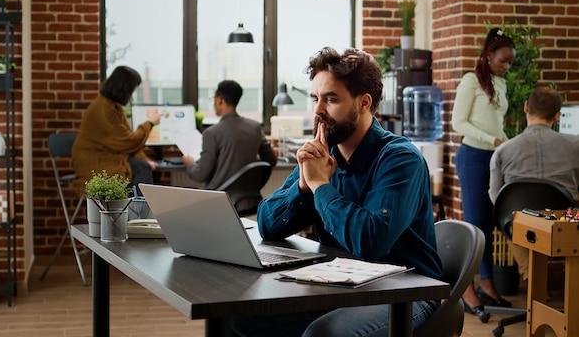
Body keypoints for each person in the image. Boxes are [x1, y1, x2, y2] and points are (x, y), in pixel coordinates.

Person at [230, 47, 442, 337]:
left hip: (406, 291)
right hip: (341, 283)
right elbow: (267, 224)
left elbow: (370, 241)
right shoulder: (321, 154)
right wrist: (304, 185)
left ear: (364, 103)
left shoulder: (400, 158)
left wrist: (320, 185)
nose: (318, 110)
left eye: (330, 99)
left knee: (324, 334)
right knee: (240, 317)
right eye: (315, 98)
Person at [451, 27, 516, 322]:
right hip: (473, 158)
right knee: (475, 226)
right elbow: (458, 123)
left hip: (495, 159)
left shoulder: (500, 84)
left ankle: (487, 284)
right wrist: (493, 142)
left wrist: (507, 144)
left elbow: (496, 125)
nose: (507, 66)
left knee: (489, 224)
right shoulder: (471, 81)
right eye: (503, 61)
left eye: (510, 62)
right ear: (489, 56)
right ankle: (466, 289)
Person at [489, 86, 579, 281]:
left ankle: (532, 280)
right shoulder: (576, 146)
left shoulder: (502, 151)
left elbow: (496, 197)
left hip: (521, 227)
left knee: (511, 217)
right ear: (557, 116)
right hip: (564, 224)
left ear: (526, 107)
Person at [72, 65, 161, 195]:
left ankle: (138, 210)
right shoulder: (102, 109)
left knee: (143, 166)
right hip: (94, 159)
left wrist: (144, 159)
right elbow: (128, 142)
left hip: (111, 156)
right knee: (141, 169)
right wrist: (150, 123)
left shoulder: (114, 106)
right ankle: (139, 212)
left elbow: (127, 139)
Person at [181, 80, 277, 191]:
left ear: (220, 100)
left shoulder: (211, 133)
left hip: (220, 199)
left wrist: (190, 164)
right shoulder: (255, 127)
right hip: (248, 199)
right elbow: (271, 160)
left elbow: (200, 175)